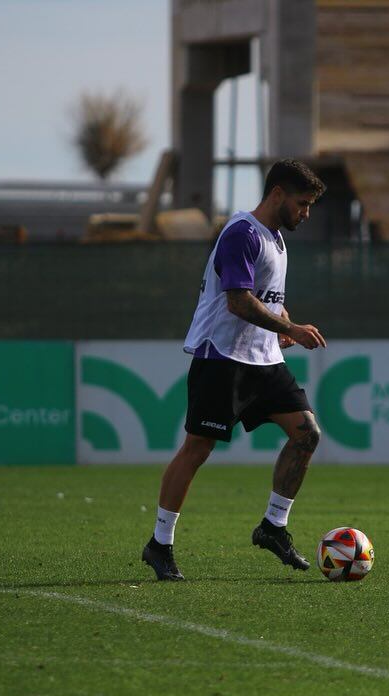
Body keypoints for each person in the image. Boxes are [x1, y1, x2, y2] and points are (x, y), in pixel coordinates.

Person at [142, 159, 327, 581]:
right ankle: (160, 543)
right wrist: (293, 329)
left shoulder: (277, 240)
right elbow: (239, 301)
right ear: (277, 193)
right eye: (302, 203)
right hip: (221, 357)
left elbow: (267, 298)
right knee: (198, 450)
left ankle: (273, 526)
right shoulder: (241, 233)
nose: (306, 213)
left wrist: (282, 325)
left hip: (263, 359)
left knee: (307, 433)